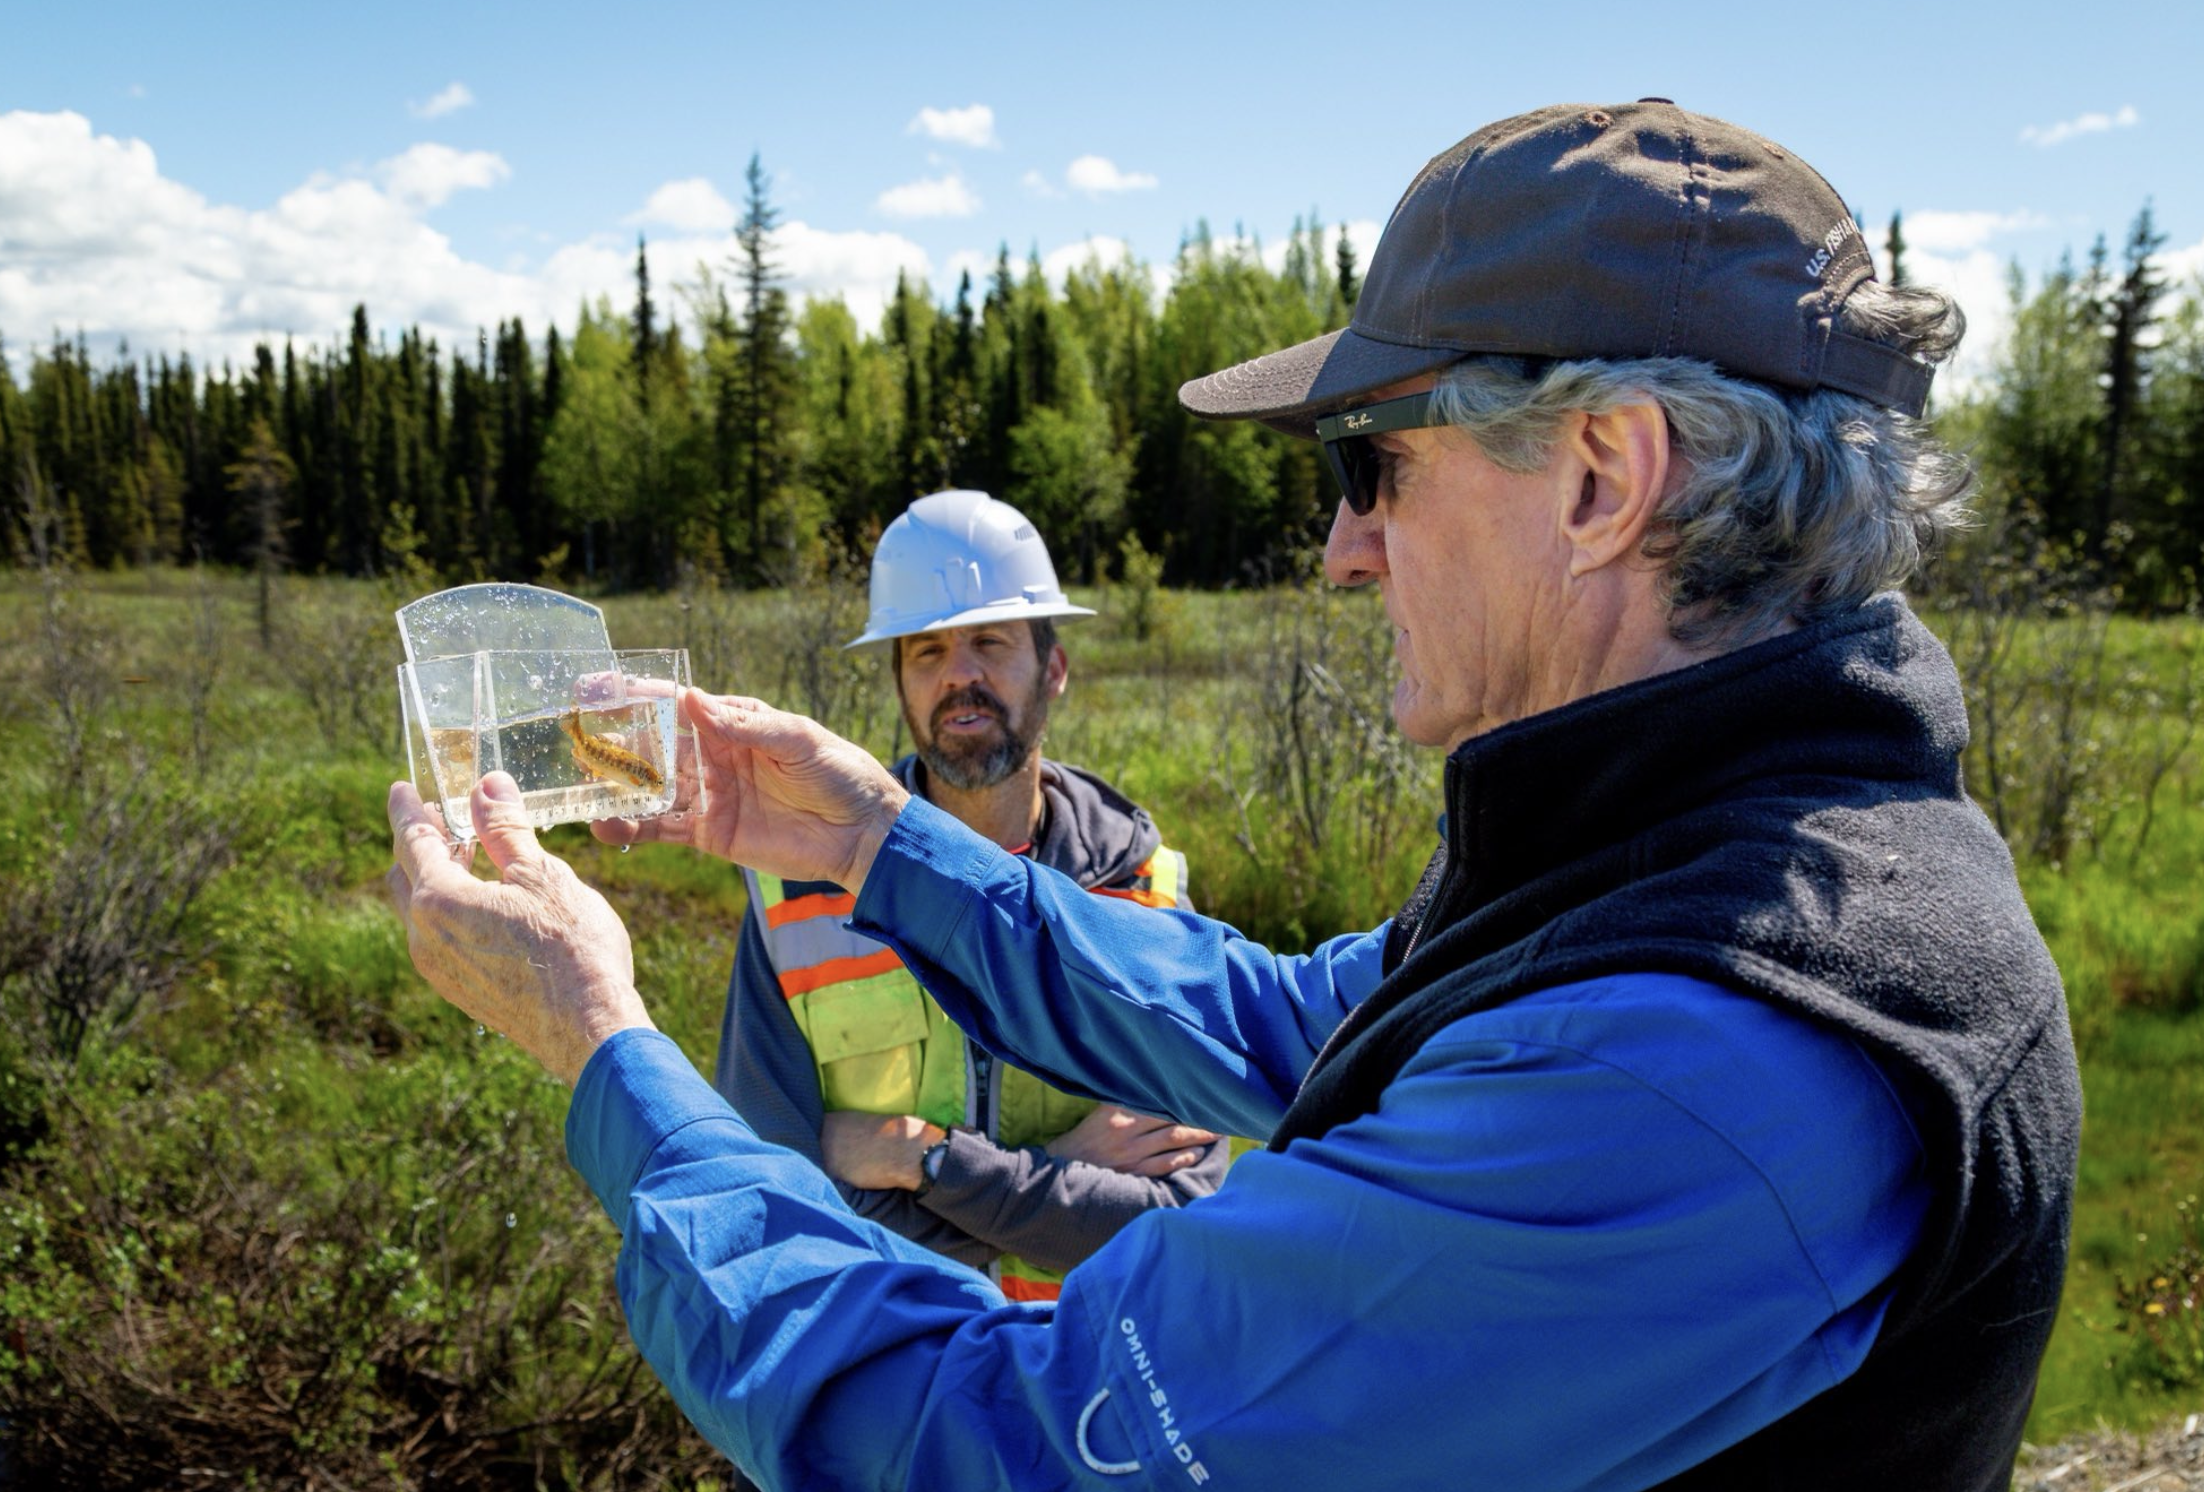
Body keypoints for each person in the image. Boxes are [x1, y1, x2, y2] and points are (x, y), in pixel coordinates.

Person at [388, 99, 2081, 1491]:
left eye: (1374, 466)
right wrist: (857, 835)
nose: (1342, 548)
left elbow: (1014, 1447)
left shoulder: (1699, 1058)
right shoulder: (1682, 858)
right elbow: (1286, 1021)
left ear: (1597, 477)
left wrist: (606, 1053)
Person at [714, 489, 1222, 1303]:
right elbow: (762, 1195)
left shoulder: (1143, 897)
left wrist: (924, 1159)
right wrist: (1060, 1176)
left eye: (990, 641)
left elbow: (1175, 1215)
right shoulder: (797, 897)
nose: (961, 675)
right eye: (926, 650)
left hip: (1089, 1378)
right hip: (891, 1381)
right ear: (901, 683)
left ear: (1053, 669)